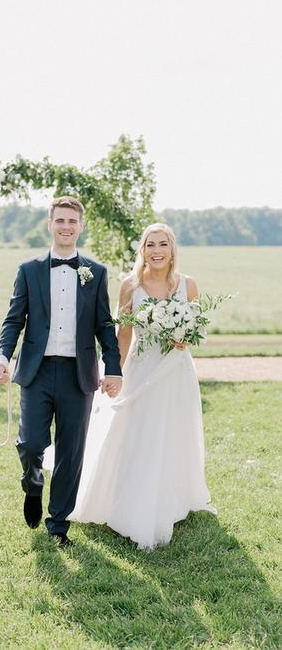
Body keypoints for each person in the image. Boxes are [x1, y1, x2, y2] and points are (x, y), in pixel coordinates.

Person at [70, 222, 216, 549]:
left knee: (173, 434)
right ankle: (130, 501)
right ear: (143, 249)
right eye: (151, 244)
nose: (157, 250)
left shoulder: (188, 285)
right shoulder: (130, 286)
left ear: (172, 249)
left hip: (176, 373)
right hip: (141, 368)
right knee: (138, 433)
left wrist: (184, 341)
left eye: (163, 244)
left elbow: (194, 330)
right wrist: (114, 373)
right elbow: (122, 336)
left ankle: (172, 498)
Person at [0, 196, 122, 547]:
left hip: (79, 375)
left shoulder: (95, 273)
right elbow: (13, 320)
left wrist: (114, 368)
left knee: (70, 452)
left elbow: (104, 326)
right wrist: (3, 356)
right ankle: (32, 484)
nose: (66, 227)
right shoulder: (29, 270)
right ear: (49, 224)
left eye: (72, 221)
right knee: (31, 443)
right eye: (59, 221)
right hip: (36, 371)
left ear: (80, 226)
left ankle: (58, 524)